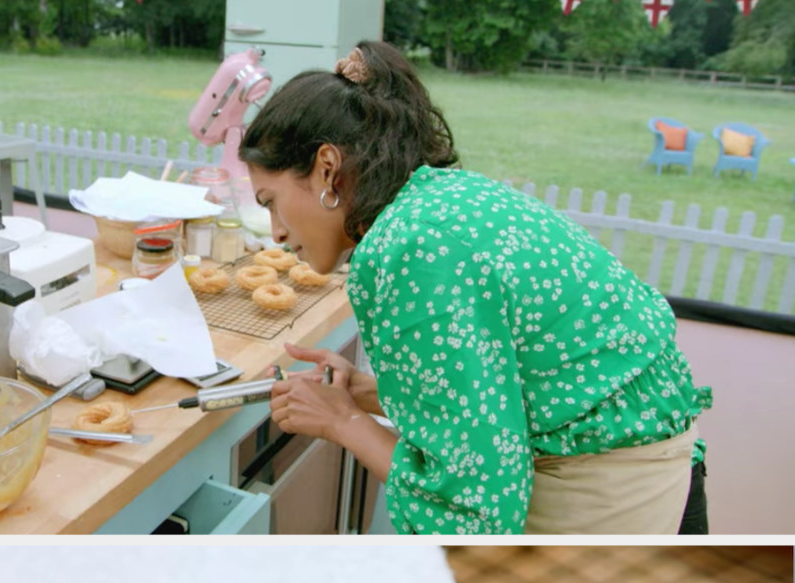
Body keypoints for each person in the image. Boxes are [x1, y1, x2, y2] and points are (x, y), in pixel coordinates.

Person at [239, 41, 711, 535]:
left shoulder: (411, 250)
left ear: (327, 169)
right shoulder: (441, 199)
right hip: (660, 459)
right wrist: (373, 393)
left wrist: (344, 424)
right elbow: (498, 395)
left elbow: (471, 505)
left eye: (271, 201)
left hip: (615, 493)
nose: (275, 232)